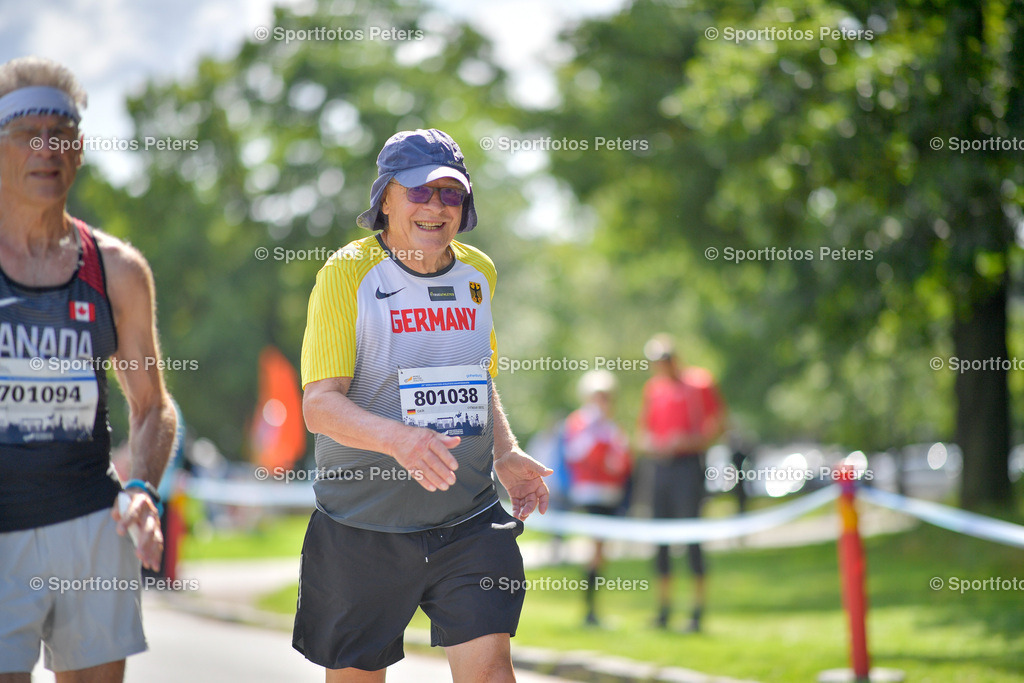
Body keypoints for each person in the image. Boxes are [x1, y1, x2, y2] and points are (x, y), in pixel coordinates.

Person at [296, 128, 552, 682]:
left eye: (451, 194)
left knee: (490, 671)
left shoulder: (478, 274)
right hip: (362, 525)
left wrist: (505, 452)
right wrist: (400, 439)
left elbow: (479, 380)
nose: (436, 207)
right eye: (418, 192)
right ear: (385, 198)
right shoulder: (347, 275)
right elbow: (319, 406)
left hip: (468, 519)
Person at [0, 57, 177, 682]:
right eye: (28, 132)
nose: (48, 149)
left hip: (91, 526)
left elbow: (153, 406)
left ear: (78, 151)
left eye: (64, 134)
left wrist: (143, 487)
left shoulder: (117, 270)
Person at [639, 334, 725, 633]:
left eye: (665, 359)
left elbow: (718, 423)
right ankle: (663, 611)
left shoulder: (699, 382)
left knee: (692, 538)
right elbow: (644, 433)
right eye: (657, 361)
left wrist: (689, 441)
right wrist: (655, 444)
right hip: (660, 467)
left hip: (689, 466)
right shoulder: (653, 390)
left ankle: (697, 612)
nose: (662, 365)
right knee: (660, 539)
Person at [562, 369, 632, 626]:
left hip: (610, 494)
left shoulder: (613, 428)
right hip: (588, 494)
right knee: (593, 551)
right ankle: (589, 611)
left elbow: (620, 462)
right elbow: (574, 453)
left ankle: (593, 610)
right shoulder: (579, 423)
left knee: (601, 553)